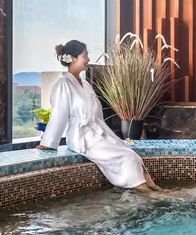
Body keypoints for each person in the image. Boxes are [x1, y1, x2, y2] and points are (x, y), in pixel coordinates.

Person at [36, 40, 160, 192]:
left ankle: (155, 188)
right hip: (82, 138)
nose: (88, 59)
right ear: (73, 58)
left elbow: (97, 114)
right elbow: (58, 114)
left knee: (132, 154)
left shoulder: (86, 84)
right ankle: (146, 192)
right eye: (85, 55)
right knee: (126, 157)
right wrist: (49, 143)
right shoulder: (63, 84)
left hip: (97, 132)